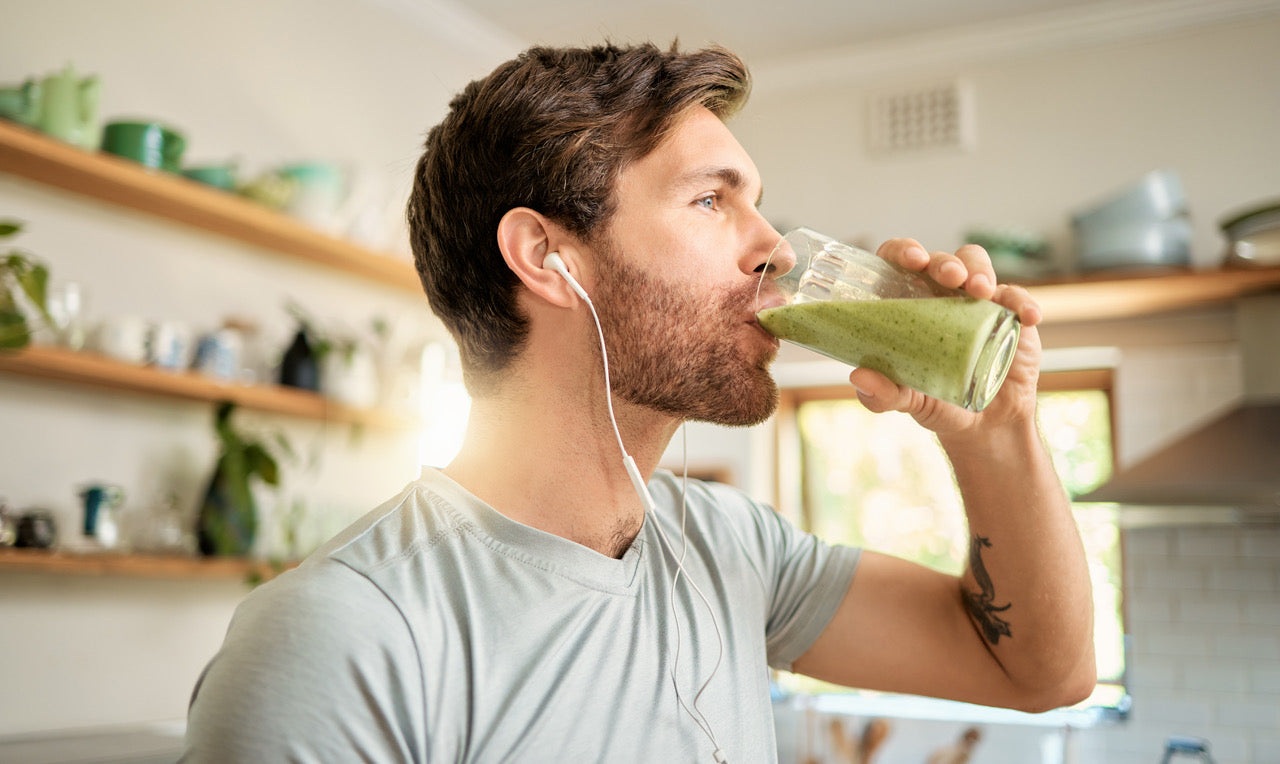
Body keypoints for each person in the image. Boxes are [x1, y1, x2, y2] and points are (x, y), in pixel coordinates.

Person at [182, 42, 1095, 762]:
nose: (775, 248)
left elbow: (1039, 674)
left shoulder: (731, 549)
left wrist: (997, 431)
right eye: (710, 202)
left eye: (757, 206)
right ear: (546, 258)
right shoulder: (342, 637)